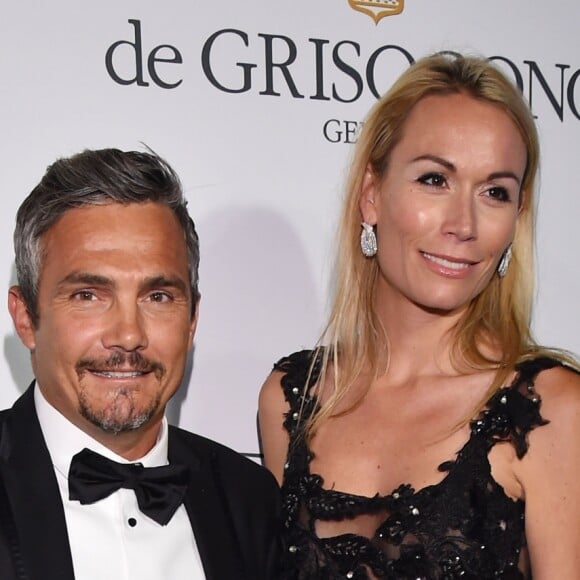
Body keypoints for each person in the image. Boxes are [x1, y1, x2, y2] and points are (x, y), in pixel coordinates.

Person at [259, 52, 580, 579]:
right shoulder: (292, 397)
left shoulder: (548, 410)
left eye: (495, 192)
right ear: (371, 197)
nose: (464, 223)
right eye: (435, 180)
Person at [0, 148, 280, 580]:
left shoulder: (251, 501)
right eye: (89, 295)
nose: (129, 334)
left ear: (192, 322)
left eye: (158, 297)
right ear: (26, 318)